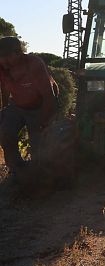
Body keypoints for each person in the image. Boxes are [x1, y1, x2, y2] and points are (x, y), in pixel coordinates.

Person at [0, 36, 59, 183]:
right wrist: (5, 108)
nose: (3, 61)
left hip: (40, 105)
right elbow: (4, 87)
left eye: (7, 57)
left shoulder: (34, 64)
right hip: (17, 105)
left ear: (18, 53)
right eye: (1, 58)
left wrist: (44, 121)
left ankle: (39, 174)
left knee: (38, 142)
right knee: (5, 132)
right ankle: (16, 169)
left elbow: (49, 96)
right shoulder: (2, 66)